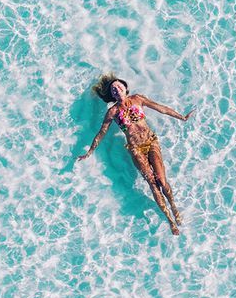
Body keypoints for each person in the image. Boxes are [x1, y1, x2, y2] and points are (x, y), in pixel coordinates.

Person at [77, 73, 194, 235]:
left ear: (125, 87)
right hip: (135, 149)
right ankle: (170, 221)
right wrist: (89, 152)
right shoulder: (112, 112)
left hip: (151, 142)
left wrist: (182, 117)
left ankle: (174, 207)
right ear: (112, 95)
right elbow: (101, 133)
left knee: (161, 179)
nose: (116, 89)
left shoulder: (138, 99)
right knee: (152, 183)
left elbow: (161, 108)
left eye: (118, 86)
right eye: (113, 89)